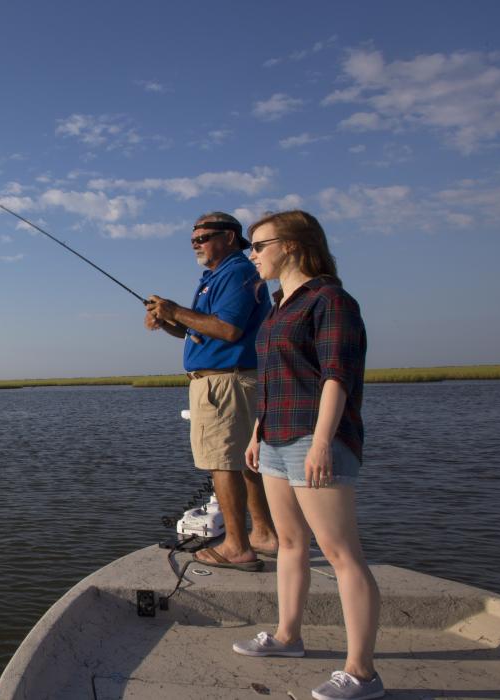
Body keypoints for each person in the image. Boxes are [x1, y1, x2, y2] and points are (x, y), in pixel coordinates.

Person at [229, 210, 381, 700]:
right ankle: (288, 636)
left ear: (291, 246)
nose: (252, 256)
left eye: (259, 245)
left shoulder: (330, 300)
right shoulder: (277, 307)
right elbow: (276, 378)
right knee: (290, 544)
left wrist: (320, 442)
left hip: (315, 441)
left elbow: (336, 374)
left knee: (341, 555)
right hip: (275, 438)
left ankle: (362, 673)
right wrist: (257, 432)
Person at [146, 212, 277, 571]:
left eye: (202, 238)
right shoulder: (217, 277)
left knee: (222, 462)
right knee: (243, 460)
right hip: (226, 380)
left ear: (230, 238)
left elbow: (229, 329)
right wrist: (170, 320)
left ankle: (237, 546)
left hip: (224, 383)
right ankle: (263, 533)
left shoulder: (235, 272)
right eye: (193, 239)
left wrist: (175, 310)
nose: (195, 244)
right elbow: (203, 331)